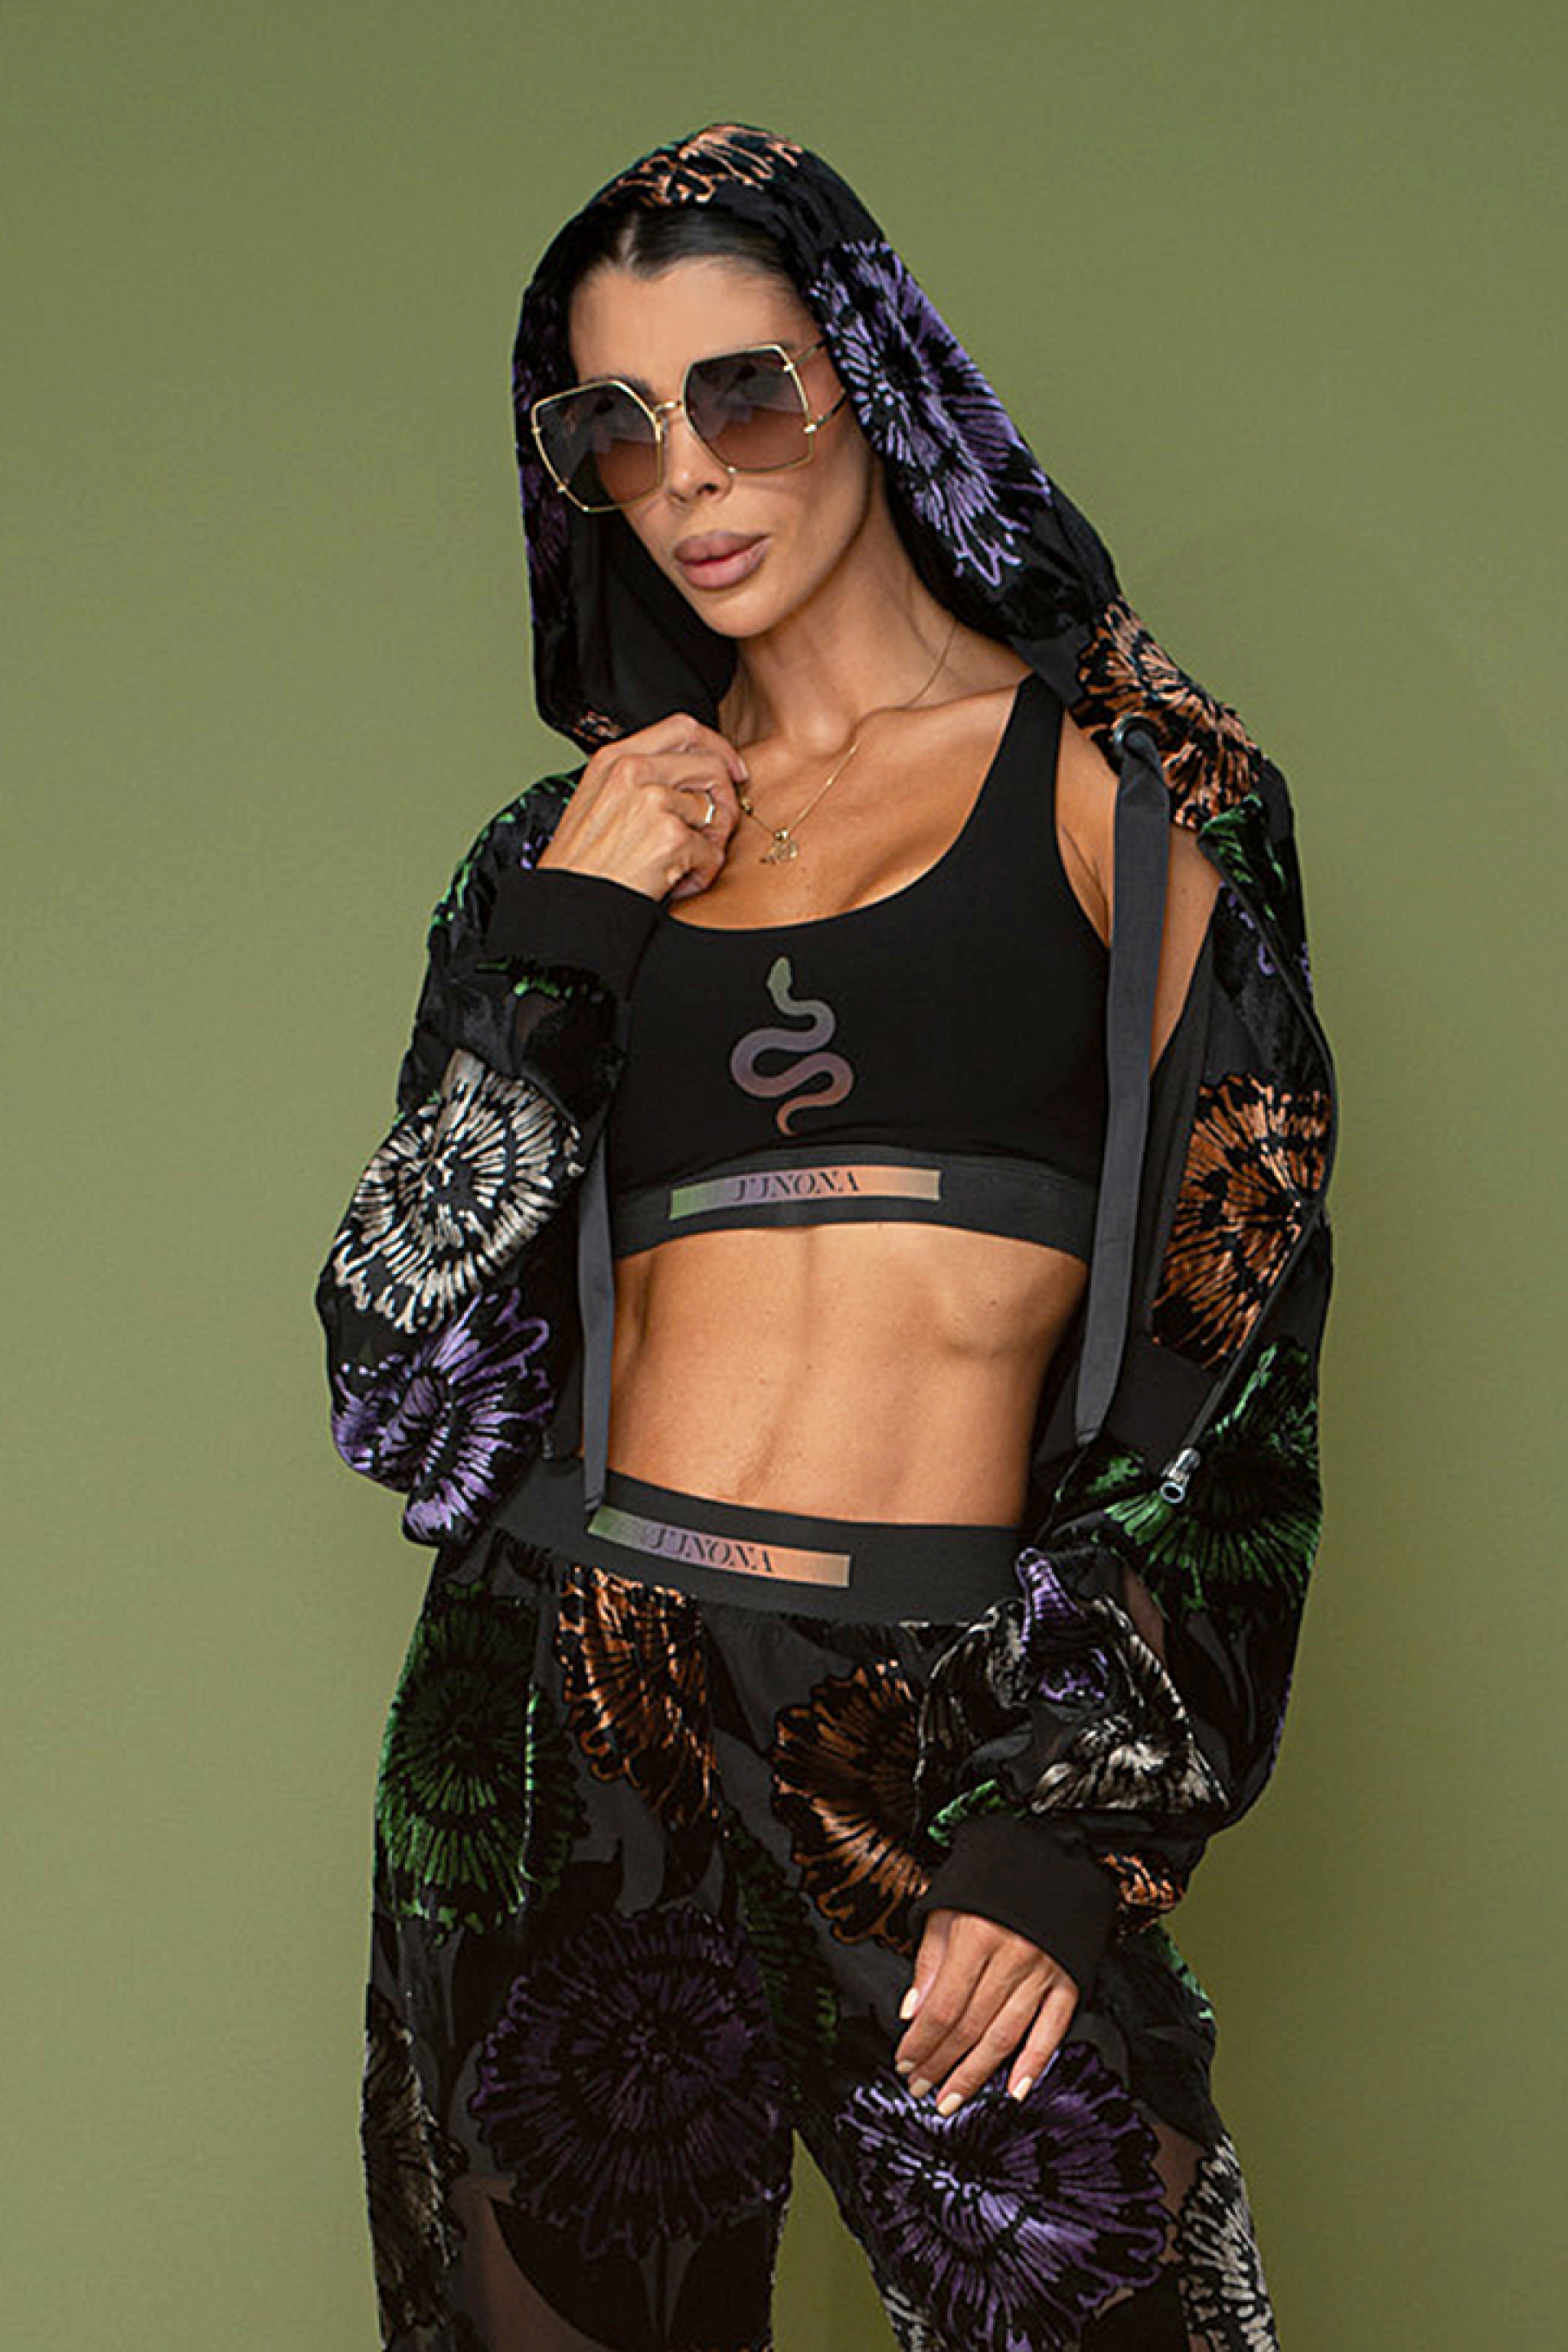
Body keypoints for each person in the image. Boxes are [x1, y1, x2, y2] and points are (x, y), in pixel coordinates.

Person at [317, 122, 1336, 2352]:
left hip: (936, 1722)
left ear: (870, 376)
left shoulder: (1133, 795)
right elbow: (402, 1379)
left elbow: (1234, 1360)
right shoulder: (560, 858)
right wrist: (574, 930)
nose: (685, 472)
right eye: (614, 425)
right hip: (563, 1704)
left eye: (742, 391)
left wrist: (1071, 1827)